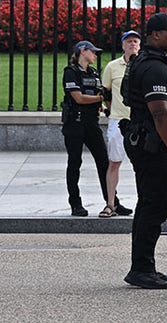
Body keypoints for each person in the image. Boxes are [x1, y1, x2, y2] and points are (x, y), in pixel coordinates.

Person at [120, 11, 167, 290]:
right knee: (154, 204)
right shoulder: (154, 69)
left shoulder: (156, 63)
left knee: (151, 204)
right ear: (155, 35)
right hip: (152, 144)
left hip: (147, 140)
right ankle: (141, 269)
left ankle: (144, 266)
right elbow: (161, 113)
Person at [61, 40, 111, 217]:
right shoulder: (71, 72)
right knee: (75, 163)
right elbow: (79, 98)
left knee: (104, 162)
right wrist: (101, 99)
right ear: (82, 51)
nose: (95, 55)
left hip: (92, 123)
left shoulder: (94, 73)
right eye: (93, 51)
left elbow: (96, 96)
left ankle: (112, 201)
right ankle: (75, 203)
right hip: (74, 123)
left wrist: (105, 108)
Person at [99, 30, 140, 218]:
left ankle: (144, 203)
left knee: (142, 164)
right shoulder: (112, 66)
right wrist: (112, 109)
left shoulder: (145, 65)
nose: (132, 44)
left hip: (139, 120)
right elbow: (105, 92)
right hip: (118, 119)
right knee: (114, 162)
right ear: (123, 45)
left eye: (135, 41)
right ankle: (110, 203)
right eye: (129, 41)